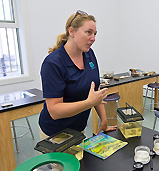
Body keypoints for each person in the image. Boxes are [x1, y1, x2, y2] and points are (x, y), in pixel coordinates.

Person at [39, 10, 116, 138]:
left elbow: (95, 91)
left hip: (78, 129)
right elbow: (54, 111)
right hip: (56, 134)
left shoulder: (89, 54)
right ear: (71, 31)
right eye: (88, 32)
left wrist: (103, 119)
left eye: (95, 34)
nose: (93, 38)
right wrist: (89, 103)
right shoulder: (53, 63)